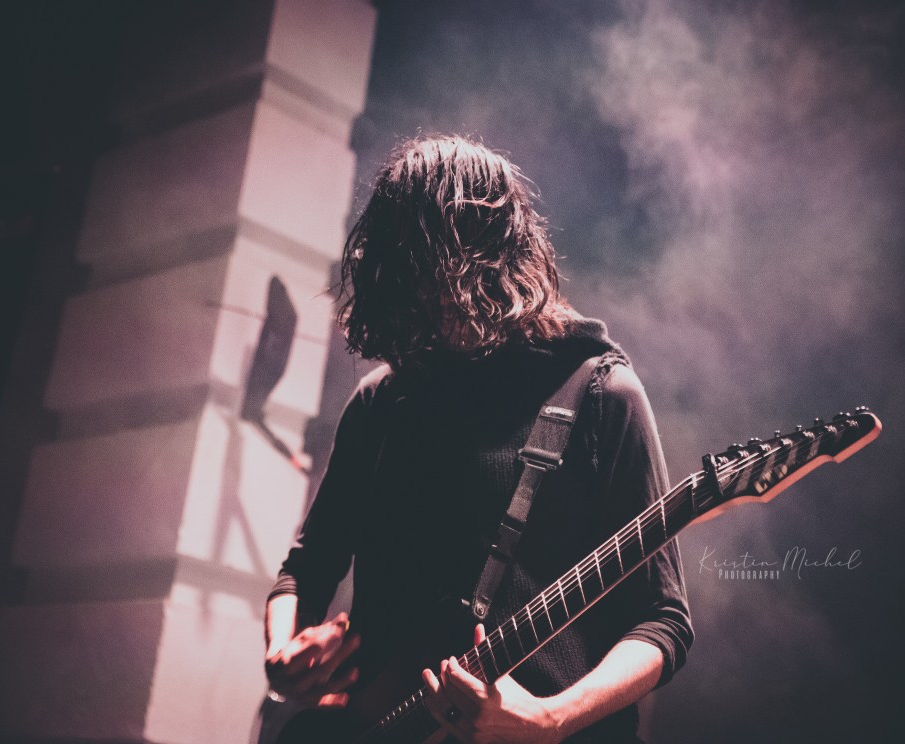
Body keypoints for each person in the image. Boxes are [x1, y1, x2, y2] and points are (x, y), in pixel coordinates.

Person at [263, 135, 693, 744]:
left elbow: (662, 620)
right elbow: (305, 572)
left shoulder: (598, 394)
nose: (420, 294)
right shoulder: (382, 402)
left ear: (485, 254)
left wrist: (551, 719)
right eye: (402, 269)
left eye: (430, 264)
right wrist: (285, 652)